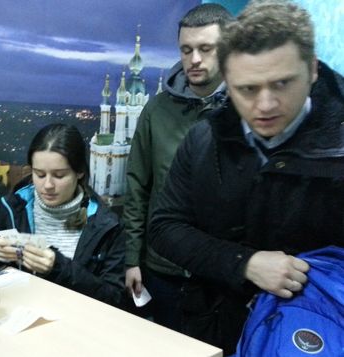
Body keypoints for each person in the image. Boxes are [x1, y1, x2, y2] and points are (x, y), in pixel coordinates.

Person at [148, 0, 344, 354]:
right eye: (247, 89)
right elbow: (165, 226)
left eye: (282, 83)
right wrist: (246, 264)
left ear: (312, 69)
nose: (265, 105)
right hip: (216, 326)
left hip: (317, 334)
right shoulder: (204, 138)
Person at [122, 3, 232, 330]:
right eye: (186, 50)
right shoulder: (157, 111)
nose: (194, 59)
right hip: (163, 270)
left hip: (222, 275)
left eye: (205, 49)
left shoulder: (250, 109)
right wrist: (132, 259)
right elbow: (138, 186)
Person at [0, 123, 126, 306]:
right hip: (16, 314)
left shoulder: (107, 226)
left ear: (79, 172)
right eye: (39, 174)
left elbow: (114, 298)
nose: (47, 185)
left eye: (59, 175)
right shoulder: (12, 208)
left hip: (78, 322)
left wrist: (58, 267)